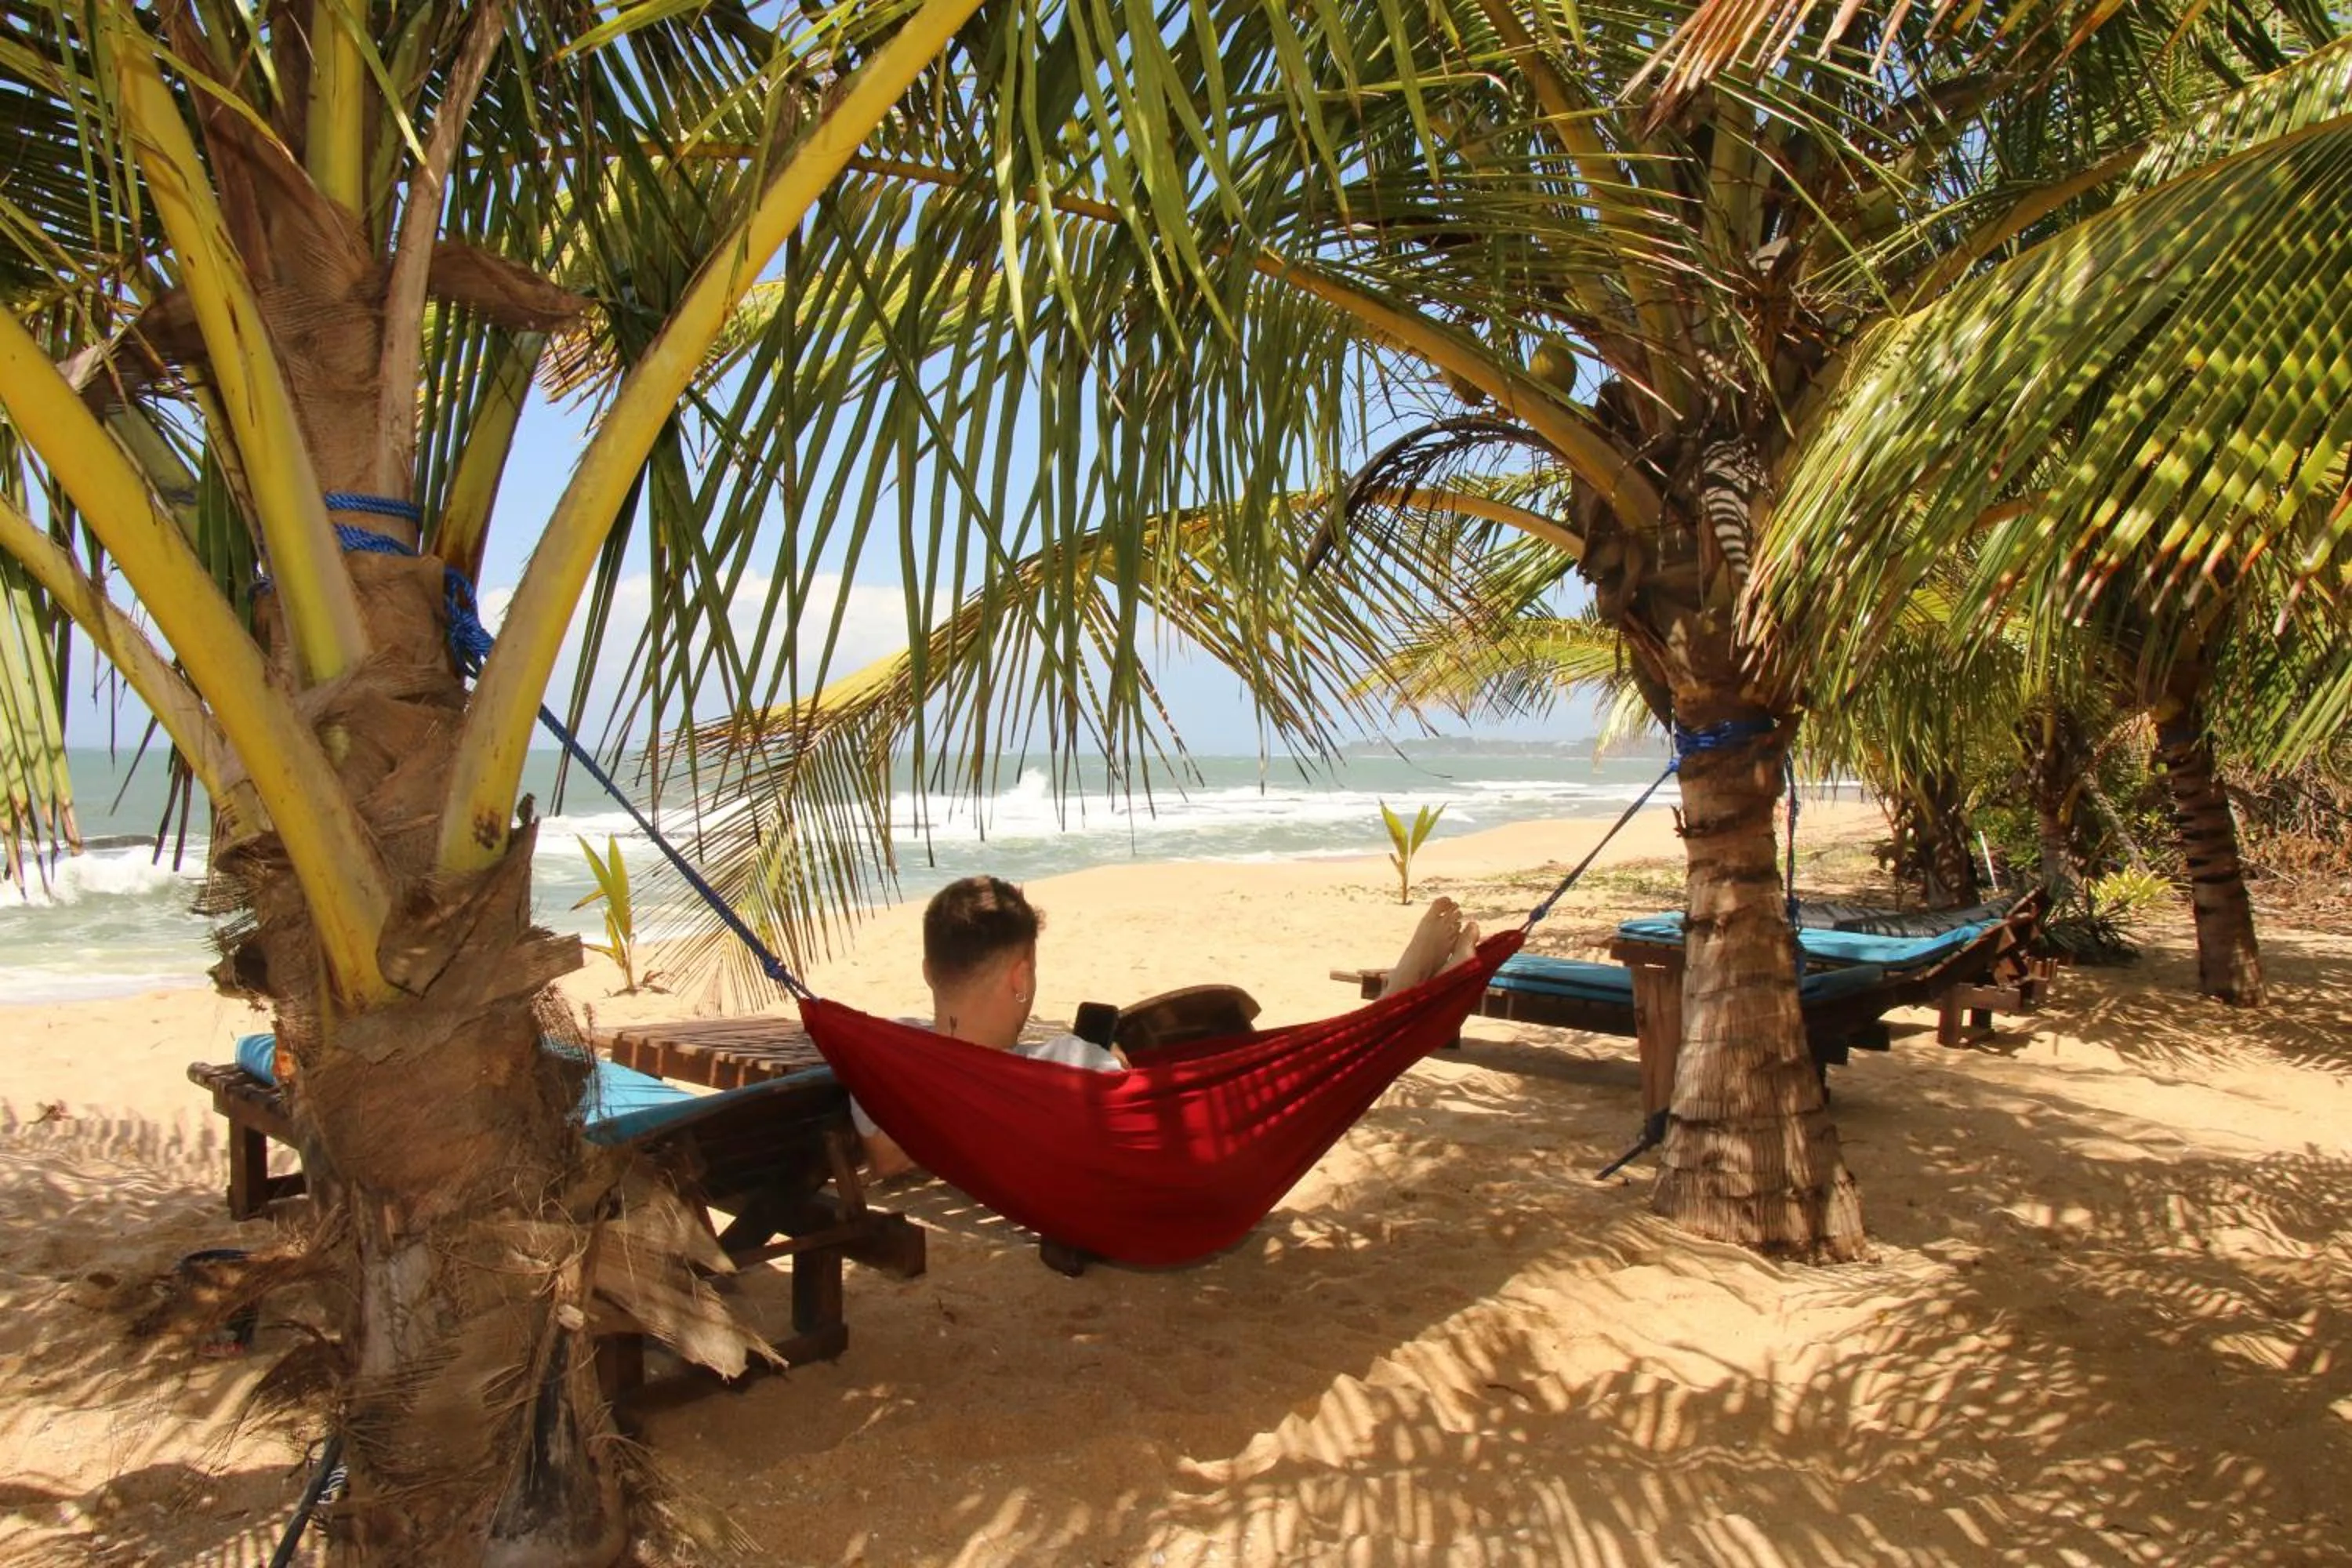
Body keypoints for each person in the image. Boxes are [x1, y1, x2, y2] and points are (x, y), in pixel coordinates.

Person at [855, 876, 1481, 1178]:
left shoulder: (884, 1055)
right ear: (1021, 978)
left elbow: (880, 1157)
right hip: (1181, 1175)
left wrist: (954, 1081)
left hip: (995, 1098)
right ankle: (1390, 1015)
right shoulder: (1068, 1066)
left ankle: (1389, 1016)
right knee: (1295, 1064)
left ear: (928, 971)